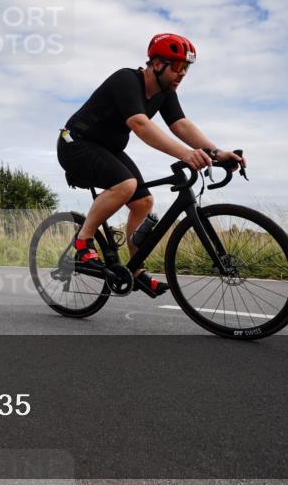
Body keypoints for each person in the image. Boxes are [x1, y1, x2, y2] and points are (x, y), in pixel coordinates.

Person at [57, 33, 245, 297]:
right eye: (178, 66)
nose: (182, 74)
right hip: (75, 143)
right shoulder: (126, 79)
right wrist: (185, 154)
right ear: (157, 64)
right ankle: (83, 241)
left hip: (107, 149)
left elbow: (181, 124)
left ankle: (135, 270)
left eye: (186, 68)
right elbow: (140, 124)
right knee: (126, 184)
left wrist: (216, 152)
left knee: (143, 202)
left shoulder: (166, 93)